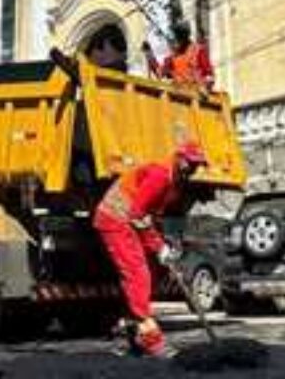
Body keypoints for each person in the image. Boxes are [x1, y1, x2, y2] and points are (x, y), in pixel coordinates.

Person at [93, 142, 208, 359]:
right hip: (115, 219)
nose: (194, 169)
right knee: (137, 274)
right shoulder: (161, 176)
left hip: (129, 221)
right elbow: (137, 214)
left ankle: (131, 332)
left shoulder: (175, 181)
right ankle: (150, 339)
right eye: (191, 163)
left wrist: (164, 245)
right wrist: (158, 246)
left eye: (197, 165)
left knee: (152, 273)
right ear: (179, 158)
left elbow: (149, 214)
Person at [147, 22, 214, 92]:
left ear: (184, 38)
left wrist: (205, 86)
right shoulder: (171, 58)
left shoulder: (199, 51)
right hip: (179, 97)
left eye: (176, 39)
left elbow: (209, 76)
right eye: (173, 39)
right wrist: (149, 55)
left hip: (197, 95)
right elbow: (160, 73)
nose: (173, 42)